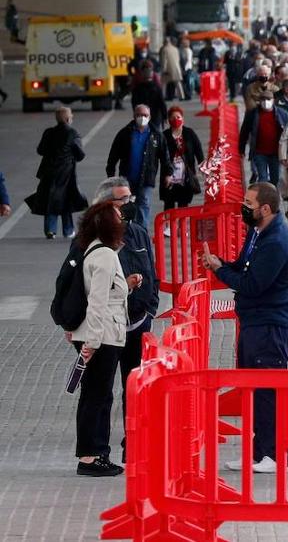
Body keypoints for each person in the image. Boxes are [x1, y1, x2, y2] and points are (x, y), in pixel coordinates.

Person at [203, 182, 288, 474]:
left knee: (268, 390)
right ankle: (260, 452)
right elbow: (243, 267)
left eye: (249, 203)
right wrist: (221, 264)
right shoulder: (257, 233)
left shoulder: (277, 241)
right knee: (254, 390)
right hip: (254, 322)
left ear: (265, 209)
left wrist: (220, 271)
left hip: (269, 325)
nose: (244, 207)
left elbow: (252, 284)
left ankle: (280, 455)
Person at [68, 202, 139, 477]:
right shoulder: (106, 255)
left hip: (99, 334)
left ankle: (93, 453)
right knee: (97, 397)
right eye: (119, 217)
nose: (123, 221)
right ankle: (91, 456)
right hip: (103, 337)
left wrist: (127, 287)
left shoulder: (93, 249)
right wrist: (92, 344)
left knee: (94, 396)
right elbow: (97, 304)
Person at [91, 178, 158, 463]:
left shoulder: (138, 234)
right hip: (107, 329)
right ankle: (96, 452)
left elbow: (152, 273)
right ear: (106, 204)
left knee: (136, 389)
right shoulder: (91, 239)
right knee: (100, 391)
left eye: (131, 198)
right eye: (123, 200)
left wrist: (150, 309)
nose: (130, 205)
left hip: (136, 324)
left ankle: (134, 442)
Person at [28, 106, 88, 239]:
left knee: (50, 200)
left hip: (48, 172)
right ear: (68, 118)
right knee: (66, 200)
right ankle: (68, 230)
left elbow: (40, 150)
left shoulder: (48, 132)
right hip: (66, 172)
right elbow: (80, 155)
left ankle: (50, 230)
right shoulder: (73, 133)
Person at [105, 105, 169, 229]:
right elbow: (113, 156)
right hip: (127, 178)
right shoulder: (125, 134)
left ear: (150, 117)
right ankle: (128, 231)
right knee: (126, 205)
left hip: (146, 179)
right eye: (139, 115)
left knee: (143, 204)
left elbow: (165, 157)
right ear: (134, 116)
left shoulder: (156, 135)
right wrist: (111, 176)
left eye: (145, 115)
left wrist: (168, 174)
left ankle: (141, 232)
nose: (142, 118)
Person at [159, 106, 205, 212]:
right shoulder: (164, 136)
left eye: (178, 117)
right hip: (169, 177)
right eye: (173, 117)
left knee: (183, 205)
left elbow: (198, 151)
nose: (176, 120)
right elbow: (160, 156)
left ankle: (182, 228)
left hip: (186, 176)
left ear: (183, 119)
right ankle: (168, 228)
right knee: (169, 204)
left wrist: (202, 167)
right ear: (168, 120)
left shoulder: (189, 133)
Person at [239, 91, 288, 185]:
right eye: (263, 99)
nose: (266, 102)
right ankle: (263, 198)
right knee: (262, 178)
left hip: (276, 153)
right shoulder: (252, 114)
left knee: (275, 178)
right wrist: (241, 149)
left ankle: (273, 198)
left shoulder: (282, 114)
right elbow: (244, 132)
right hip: (259, 152)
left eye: (268, 99)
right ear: (259, 101)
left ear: (273, 100)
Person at [128, 61, 167, 130]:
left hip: (142, 116)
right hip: (156, 117)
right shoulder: (157, 88)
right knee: (156, 135)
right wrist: (165, 116)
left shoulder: (137, 89)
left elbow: (134, 103)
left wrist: (135, 114)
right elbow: (162, 103)